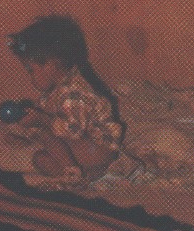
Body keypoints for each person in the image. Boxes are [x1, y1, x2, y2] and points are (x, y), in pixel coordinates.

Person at [8, 15, 124, 178]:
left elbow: (72, 132)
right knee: (40, 159)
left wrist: (42, 121)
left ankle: (72, 170)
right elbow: (54, 124)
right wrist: (30, 124)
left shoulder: (74, 93)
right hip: (85, 152)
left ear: (50, 64)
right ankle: (84, 176)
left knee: (46, 136)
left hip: (99, 148)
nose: (30, 77)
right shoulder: (54, 92)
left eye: (30, 70)